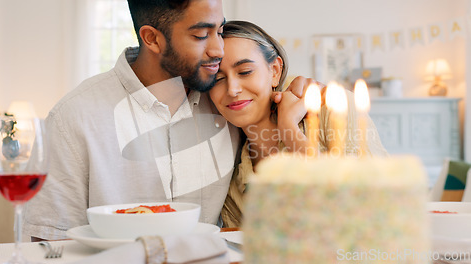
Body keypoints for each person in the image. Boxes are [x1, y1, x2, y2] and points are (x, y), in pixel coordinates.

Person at [23, 0, 242, 240]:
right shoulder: (72, 118)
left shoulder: (229, 103)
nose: (218, 49)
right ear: (152, 38)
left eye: (220, 32)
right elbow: (50, 243)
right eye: (201, 35)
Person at [207, 20, 388, 228]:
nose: (232, 89)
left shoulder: (333, 107)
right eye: (217, 79)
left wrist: (290, 131)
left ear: (274, 70)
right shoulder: (232, 189)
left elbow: (374, 206)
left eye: (245, 71)